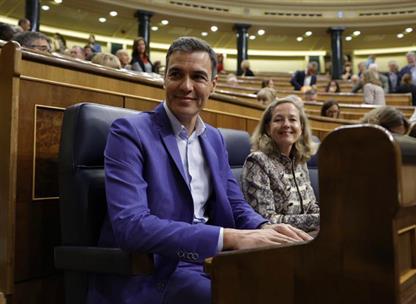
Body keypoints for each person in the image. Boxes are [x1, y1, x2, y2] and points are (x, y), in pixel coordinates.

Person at [88, 36, 311, 304]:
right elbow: (131, 226)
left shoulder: (214, 139)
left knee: (300, 282)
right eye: (176, 74)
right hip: (156, 271)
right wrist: (229, 238)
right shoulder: (129, 132)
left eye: (198, 77)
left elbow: (235, 204)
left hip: (212, 261)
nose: (186, 86)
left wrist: (266, 229)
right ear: (164, 78)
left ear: (213, 85)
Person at [241, 96, 320, 232]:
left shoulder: (299, 161)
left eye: (293, 119)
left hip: (307, 237)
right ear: (267, 128)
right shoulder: (257, 161)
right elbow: (266, 219)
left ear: (301, 127)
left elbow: (311, 207)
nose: (286, 124)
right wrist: (319, 219)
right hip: (279, 244)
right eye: (278, 120)